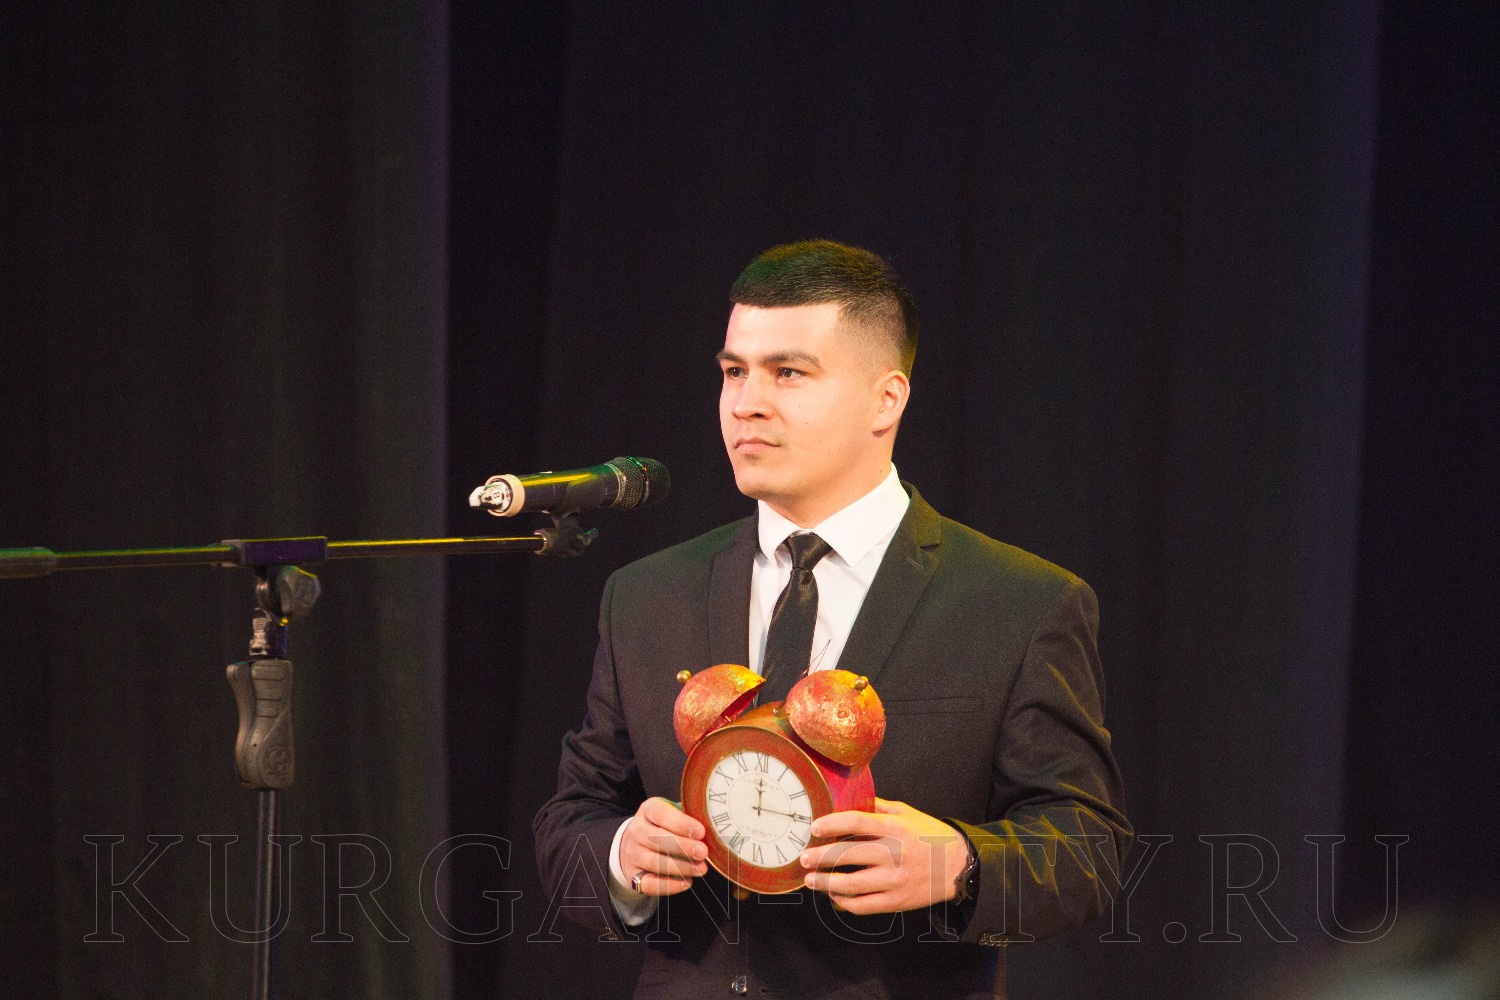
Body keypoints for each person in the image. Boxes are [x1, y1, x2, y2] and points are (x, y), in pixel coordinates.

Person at [533, 239, 1131, 999]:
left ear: (887, 399)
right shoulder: (648, 595)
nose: (746, 403)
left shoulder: (1019, 601)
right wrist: (624, 853)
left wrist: (959, 863)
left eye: (788, 372)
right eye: (733, 371)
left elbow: (1087, 845)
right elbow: (574, 818)